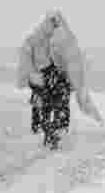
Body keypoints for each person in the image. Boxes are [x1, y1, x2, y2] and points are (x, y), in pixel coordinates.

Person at [18, 11, 75, 150]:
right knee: (54, 106)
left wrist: (29, 78)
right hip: (50, 79)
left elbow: (25, 60)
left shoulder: (36, 39)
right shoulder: (60, 39)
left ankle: (49, 130)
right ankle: (53, 131)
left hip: (47, 79)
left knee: (46, 106)